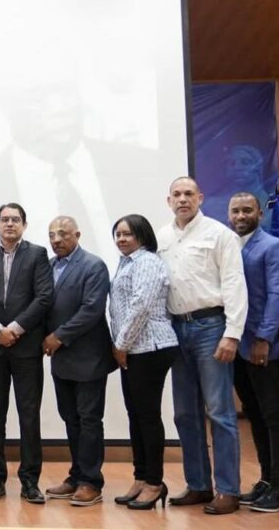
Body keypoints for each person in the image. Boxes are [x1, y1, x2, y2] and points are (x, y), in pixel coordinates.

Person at [157, 177, 247, 515]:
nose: (183, 199)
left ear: (200, 197)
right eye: (177, 194)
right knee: (184, 414)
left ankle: (228, 490)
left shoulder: (219, 234)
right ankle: (198, 485)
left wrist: (232, 333)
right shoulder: (162, 237)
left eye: (189, 194)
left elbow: (235, 284)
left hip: (212, 327)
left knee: (220, 413)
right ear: (169, 200)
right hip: (175, 329)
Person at [0, 203, 52, 504]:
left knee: (29, 416)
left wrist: (15, 329)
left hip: (26, 347)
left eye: (15, 220)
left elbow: (44, 297)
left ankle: (30, 482)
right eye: (5, 220)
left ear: (24, 225)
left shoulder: (37, 254)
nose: (9, 224)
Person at [227, 192, 279, 512]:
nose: (241, 216)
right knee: (254, 415)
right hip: (237, 346)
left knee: (273, 417)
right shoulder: (230, 247)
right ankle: (265, 480)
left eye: (247, 210)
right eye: (235, 211)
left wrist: (264, 338)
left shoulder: (273, 246)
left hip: (263, 348)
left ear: (259, 214)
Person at [42, 216, 114, 506]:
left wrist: (58, 336)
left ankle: (91, 482)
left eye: (63, 233)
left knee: (89, 419)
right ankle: (76, 475)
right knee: (70, 417)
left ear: (78, 234)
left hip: (89, 356)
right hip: (61, 358)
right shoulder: (47, 266)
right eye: (51, 234)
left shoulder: (93, 266)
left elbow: (92, 310)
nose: (56, 239)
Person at [109, 214, 179, 510]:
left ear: (142, 235)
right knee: (135, 414)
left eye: (128, 234)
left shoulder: (148, 261)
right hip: (132, 349)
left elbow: (140, 306)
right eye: (118, 234)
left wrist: (121, 344)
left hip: (150, 346)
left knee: (147, 416)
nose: (122, 239)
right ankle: (140, 477)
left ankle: (154, 482)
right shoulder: (127, 262)